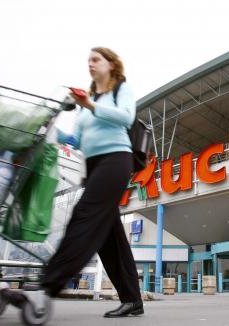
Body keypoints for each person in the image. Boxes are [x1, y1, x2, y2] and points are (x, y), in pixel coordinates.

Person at [34, 47, 142, 318]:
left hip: (116, 159)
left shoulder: (120, 89)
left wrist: (90, 105)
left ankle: (48, 285)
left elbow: (126, 117)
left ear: (111, 64)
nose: (90, 65)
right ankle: (133, 300)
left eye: (96, 60)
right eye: (88, 61)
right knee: (109, 238)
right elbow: (78, 141)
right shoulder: (88, 102)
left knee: (84, 215)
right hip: (93, 166)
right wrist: (51, 129)